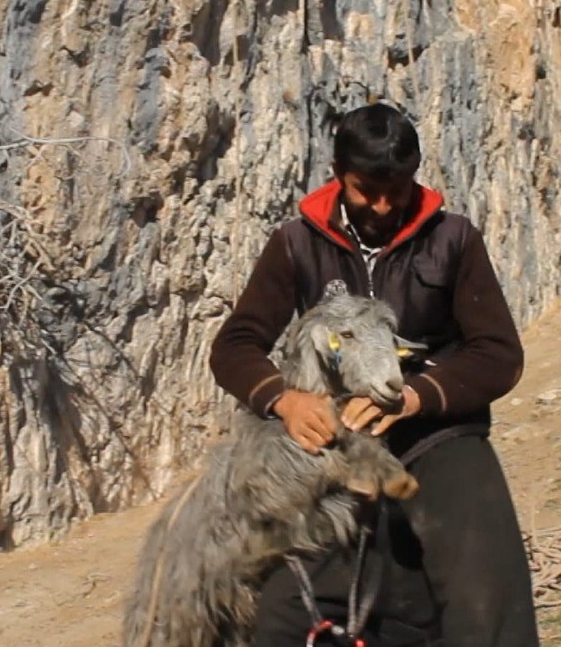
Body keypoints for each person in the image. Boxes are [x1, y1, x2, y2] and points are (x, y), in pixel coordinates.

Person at [210, 103, 539, 647]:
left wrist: (415, 398)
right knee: (280, 613)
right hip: (334, 444)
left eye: (399, 189)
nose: (384, 206)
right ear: (339, 176)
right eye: (367, 191)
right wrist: (286, 401)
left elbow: (498, 353)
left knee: (487, 595)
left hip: (437, 434)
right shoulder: (295, 243)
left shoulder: (453, 239)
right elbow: (235, 346)